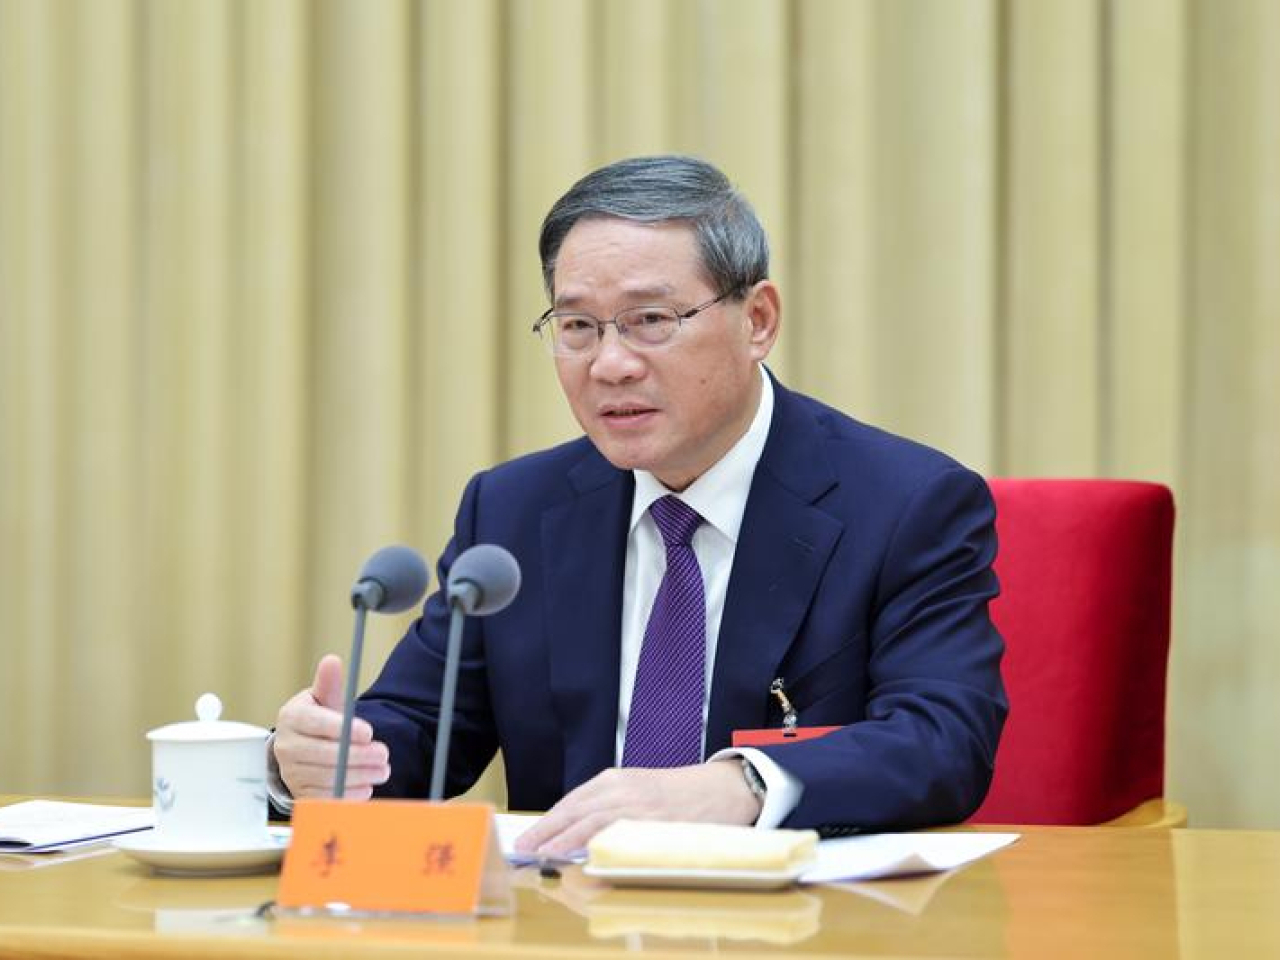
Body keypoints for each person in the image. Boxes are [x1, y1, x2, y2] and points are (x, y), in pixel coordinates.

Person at [270, 155, 1007, 858]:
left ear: (757, 320)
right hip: (567, 913)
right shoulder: (513, 511)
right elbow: (420, 729)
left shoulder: (905, 505)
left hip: (799, 917)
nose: (610, 364)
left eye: (650, 319)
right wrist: (311, 760)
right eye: (577, 327)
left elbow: (942, 738)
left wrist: (742, 786)